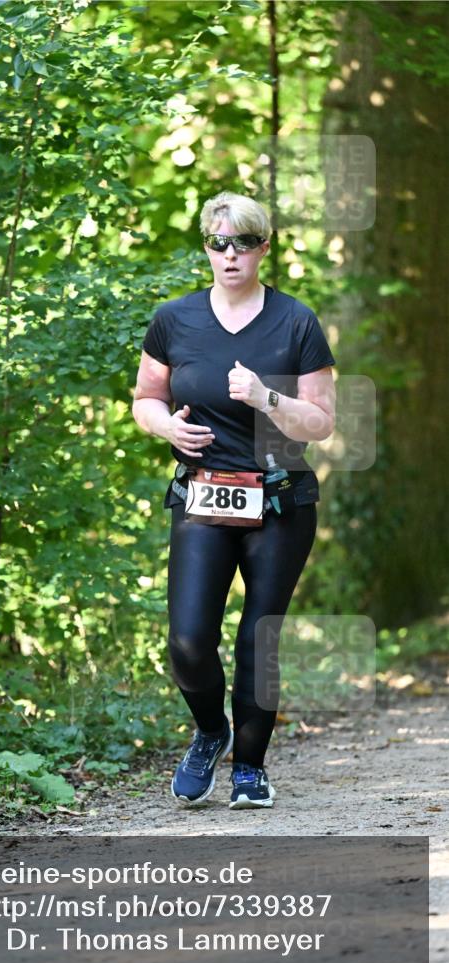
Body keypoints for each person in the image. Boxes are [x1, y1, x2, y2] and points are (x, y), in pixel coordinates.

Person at [132, 191, 336, 809]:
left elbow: (321, 422)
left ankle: (250, 768)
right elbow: (146, 399)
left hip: (279, 502)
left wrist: (265, 397)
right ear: (206, 248)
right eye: (219, 243)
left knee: (258, 640)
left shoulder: (296, 321)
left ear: (263, 248)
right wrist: (167, 428)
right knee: (189, 639)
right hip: (203, 494)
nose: (230, 255)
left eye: (243, 243)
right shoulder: (175, 319)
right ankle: (210, 731)